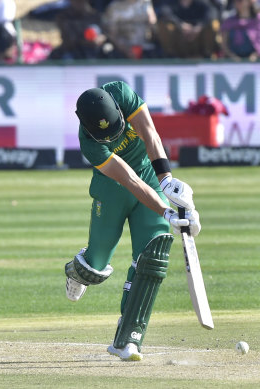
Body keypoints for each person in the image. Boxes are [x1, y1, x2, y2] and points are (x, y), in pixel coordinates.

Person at [64, 81, 201, 361]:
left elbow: (150, 134)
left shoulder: (122, 93)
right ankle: (77, 271)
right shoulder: (89, 143)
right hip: (113, 187)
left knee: (151, 256)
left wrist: (168, 183)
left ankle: (128, 336)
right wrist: (167, 211)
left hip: (148, 175)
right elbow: (130, 180)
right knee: (95, 266)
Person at [156, 0, 220, 59]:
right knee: (164, 25)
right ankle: (171, 55)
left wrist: (199, 26)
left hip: (198, 38)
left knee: (214, 24)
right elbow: (164, 12)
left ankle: (207, 54)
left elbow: (212, 12)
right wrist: (180, 25)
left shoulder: (201, 2)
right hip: (179, 38)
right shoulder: (171, 2)